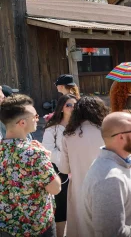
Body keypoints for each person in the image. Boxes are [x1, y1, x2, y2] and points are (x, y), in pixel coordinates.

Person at [0, 94, 61, 236]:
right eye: (35, 116)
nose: (37, 119)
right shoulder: (34, 153)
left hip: (6, 226)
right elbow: (55, 188)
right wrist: (47, 161)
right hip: (36, 227)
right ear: (22, 123)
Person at [59, 96, 108, 237]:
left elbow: (64, 169)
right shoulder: (107, 131)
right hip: (106, 185)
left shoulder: (68, 135)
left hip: (80, 188)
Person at [42, 94, 77, 237]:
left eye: (75, 105)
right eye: (69, 105)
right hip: (60, 171)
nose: (72, 108)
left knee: (78, 206)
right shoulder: (53, 128)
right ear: (62, 107)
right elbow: (48, 149)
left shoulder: (81, 125)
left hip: (79, 169)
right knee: (61, 208)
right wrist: (65, 162)